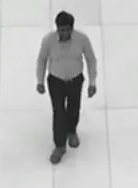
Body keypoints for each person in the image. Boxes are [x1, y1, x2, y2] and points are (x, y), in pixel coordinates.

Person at [36, 11, 97, 164]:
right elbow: (42, 60)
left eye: (66, 29)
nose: (64, 33)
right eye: (61, 30)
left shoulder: (82, 39)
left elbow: (91, 59)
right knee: (58, 112)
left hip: (75, 80)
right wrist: (40, 81)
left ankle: (71, 130)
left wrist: (92, 82)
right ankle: (60, 145)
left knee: (74, 108)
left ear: (72, 28)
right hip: (56, 81)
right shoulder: (49, 41)